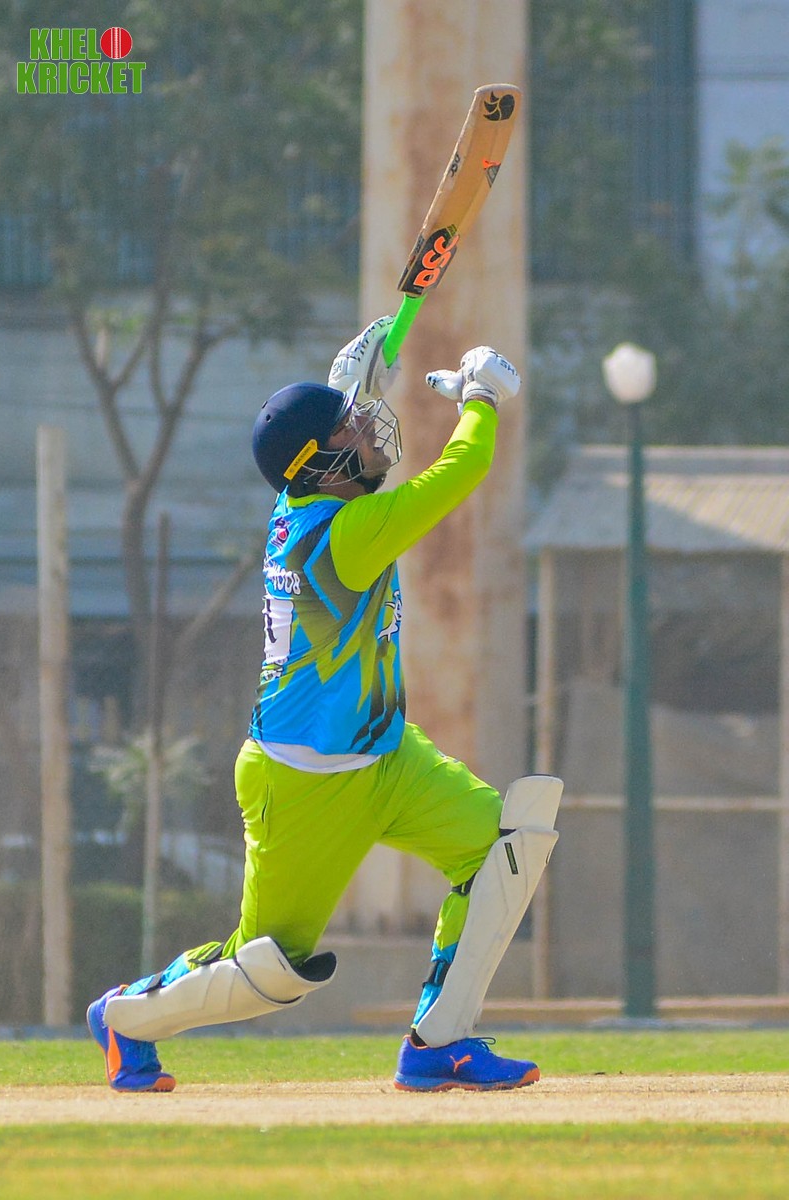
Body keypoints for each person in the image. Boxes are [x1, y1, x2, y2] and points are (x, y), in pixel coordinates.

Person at [86, 315, 562, 1094]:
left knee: (505, 846)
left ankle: (440, 1043)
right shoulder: (350, 535)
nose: (371, 429)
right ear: (321, 464)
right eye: (352, 427)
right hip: (302, 780)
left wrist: (344, 390)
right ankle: (125, 1016)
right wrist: (479, 398)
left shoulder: (297, 501)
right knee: (267, 970)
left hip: (387, 755)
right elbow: (462, 471)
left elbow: (309, 455)